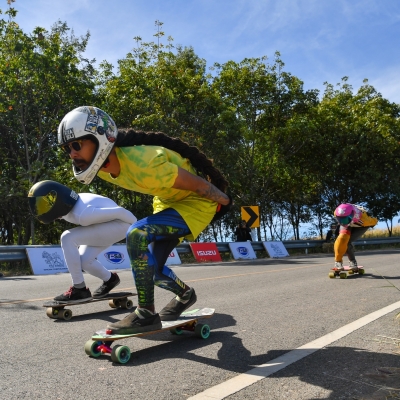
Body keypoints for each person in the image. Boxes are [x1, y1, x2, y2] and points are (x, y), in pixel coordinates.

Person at [57, 106, 232, 334]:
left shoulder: (147, 163)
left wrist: (225, 202)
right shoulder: (100, 168)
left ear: (100, 139)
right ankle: (185, 294)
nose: (72, 154)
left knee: (137, 233)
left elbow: (200, 185)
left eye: (77, 145)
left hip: (195, 203)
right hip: (168, 201)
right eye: (67, 148)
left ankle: (146, 313)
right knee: (154, 270)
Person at [28, 180, 137, 302]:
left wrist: (138, 230)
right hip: (106, 225)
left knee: (67, 238)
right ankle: (110, 279)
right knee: (85, 261)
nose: (43, 209)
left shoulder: (83, 214)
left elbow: (120, 211)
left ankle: (79, 289)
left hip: (120, 226)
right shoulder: (68, 204)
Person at [332, 203, 378, 271]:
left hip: (361, 225)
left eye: (344, 219)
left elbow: (374, 221)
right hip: (349, 223)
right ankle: (338, 262)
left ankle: (352, 262)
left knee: (347, 242)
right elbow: (343, 221)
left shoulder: (366, 219)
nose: (343, 222)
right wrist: (344, 221)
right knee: (342, 238)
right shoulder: (337, 213)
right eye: (340, 219)